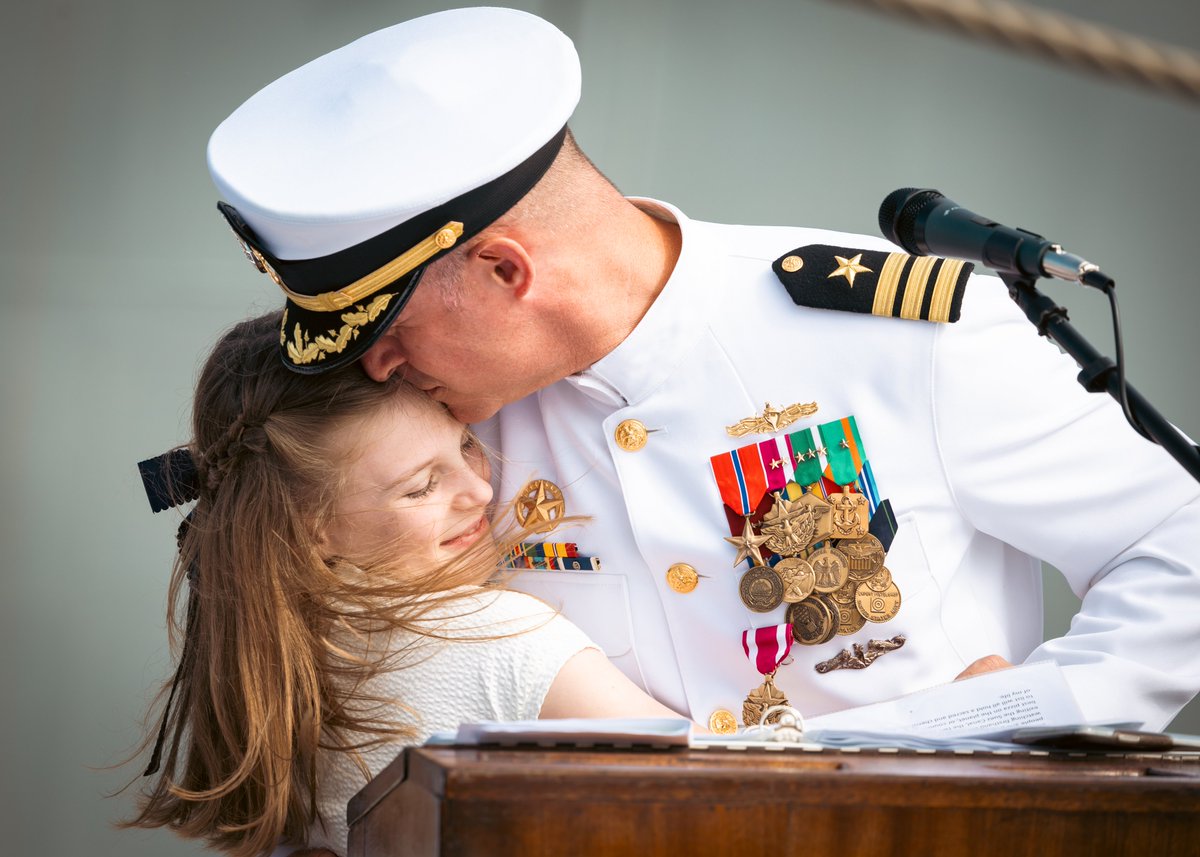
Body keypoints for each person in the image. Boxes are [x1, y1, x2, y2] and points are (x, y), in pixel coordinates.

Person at [205, 8, 1199, 736]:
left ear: (506, 269)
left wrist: (1000, 719)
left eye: (384, 324)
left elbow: (1178, 543)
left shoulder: (894, 329)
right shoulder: (436, 438)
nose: (375, 363)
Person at [124, 312, 683, 857]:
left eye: (466, 444)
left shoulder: (273, 658)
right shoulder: (500, 636)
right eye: (420, 488)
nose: (479, 492)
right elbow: (722, 793)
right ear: (310, 528)